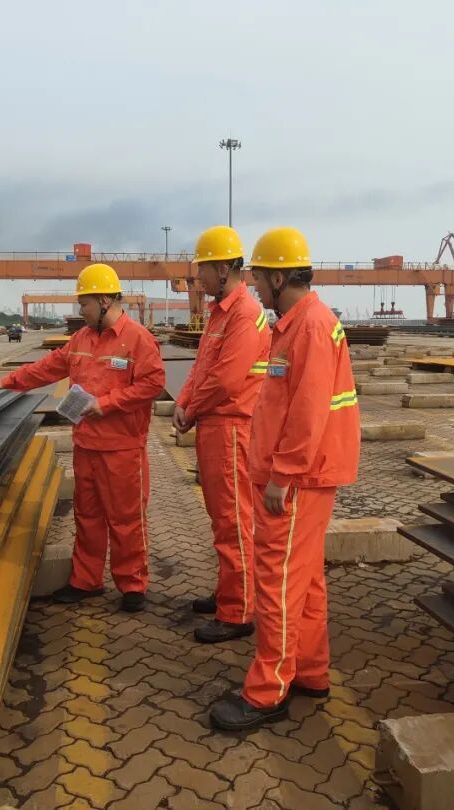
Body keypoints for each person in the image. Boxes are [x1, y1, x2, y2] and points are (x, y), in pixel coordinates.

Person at [209, 227, 360, 731]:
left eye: (257, 279)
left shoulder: (310, 327)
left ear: (278, 278)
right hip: (305, 476)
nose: (253, 288)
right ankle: (310, 673)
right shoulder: (298, 324)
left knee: (275, 583)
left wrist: (283, 476)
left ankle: (266, 691)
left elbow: (308, 411)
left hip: (296, 480)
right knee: (306, 580)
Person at [0, 263, 165, 613]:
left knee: (126, 520)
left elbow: (152, 384)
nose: (81, 310)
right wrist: (9, 381)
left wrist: (105, 404)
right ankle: (86, 580)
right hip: (86, 445)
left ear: (105, 300)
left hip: (122, 449)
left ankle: (132, 584)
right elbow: (48, 367)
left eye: (85, 303)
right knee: (87, 516)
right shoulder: (81, 339)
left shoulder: (138, 339)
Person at [174, 225, 271, 644]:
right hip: (215, 426)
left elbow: (227, 379)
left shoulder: (244, 314)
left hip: (232, 428)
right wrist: (184, 402)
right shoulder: (219, 313)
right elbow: (201, 369)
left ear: (224, 269)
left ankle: (237, 611)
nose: (198, 277)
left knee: (233, 520)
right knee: (222, 518)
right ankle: (229, 591)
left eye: (203, 268)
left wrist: (191, 409)